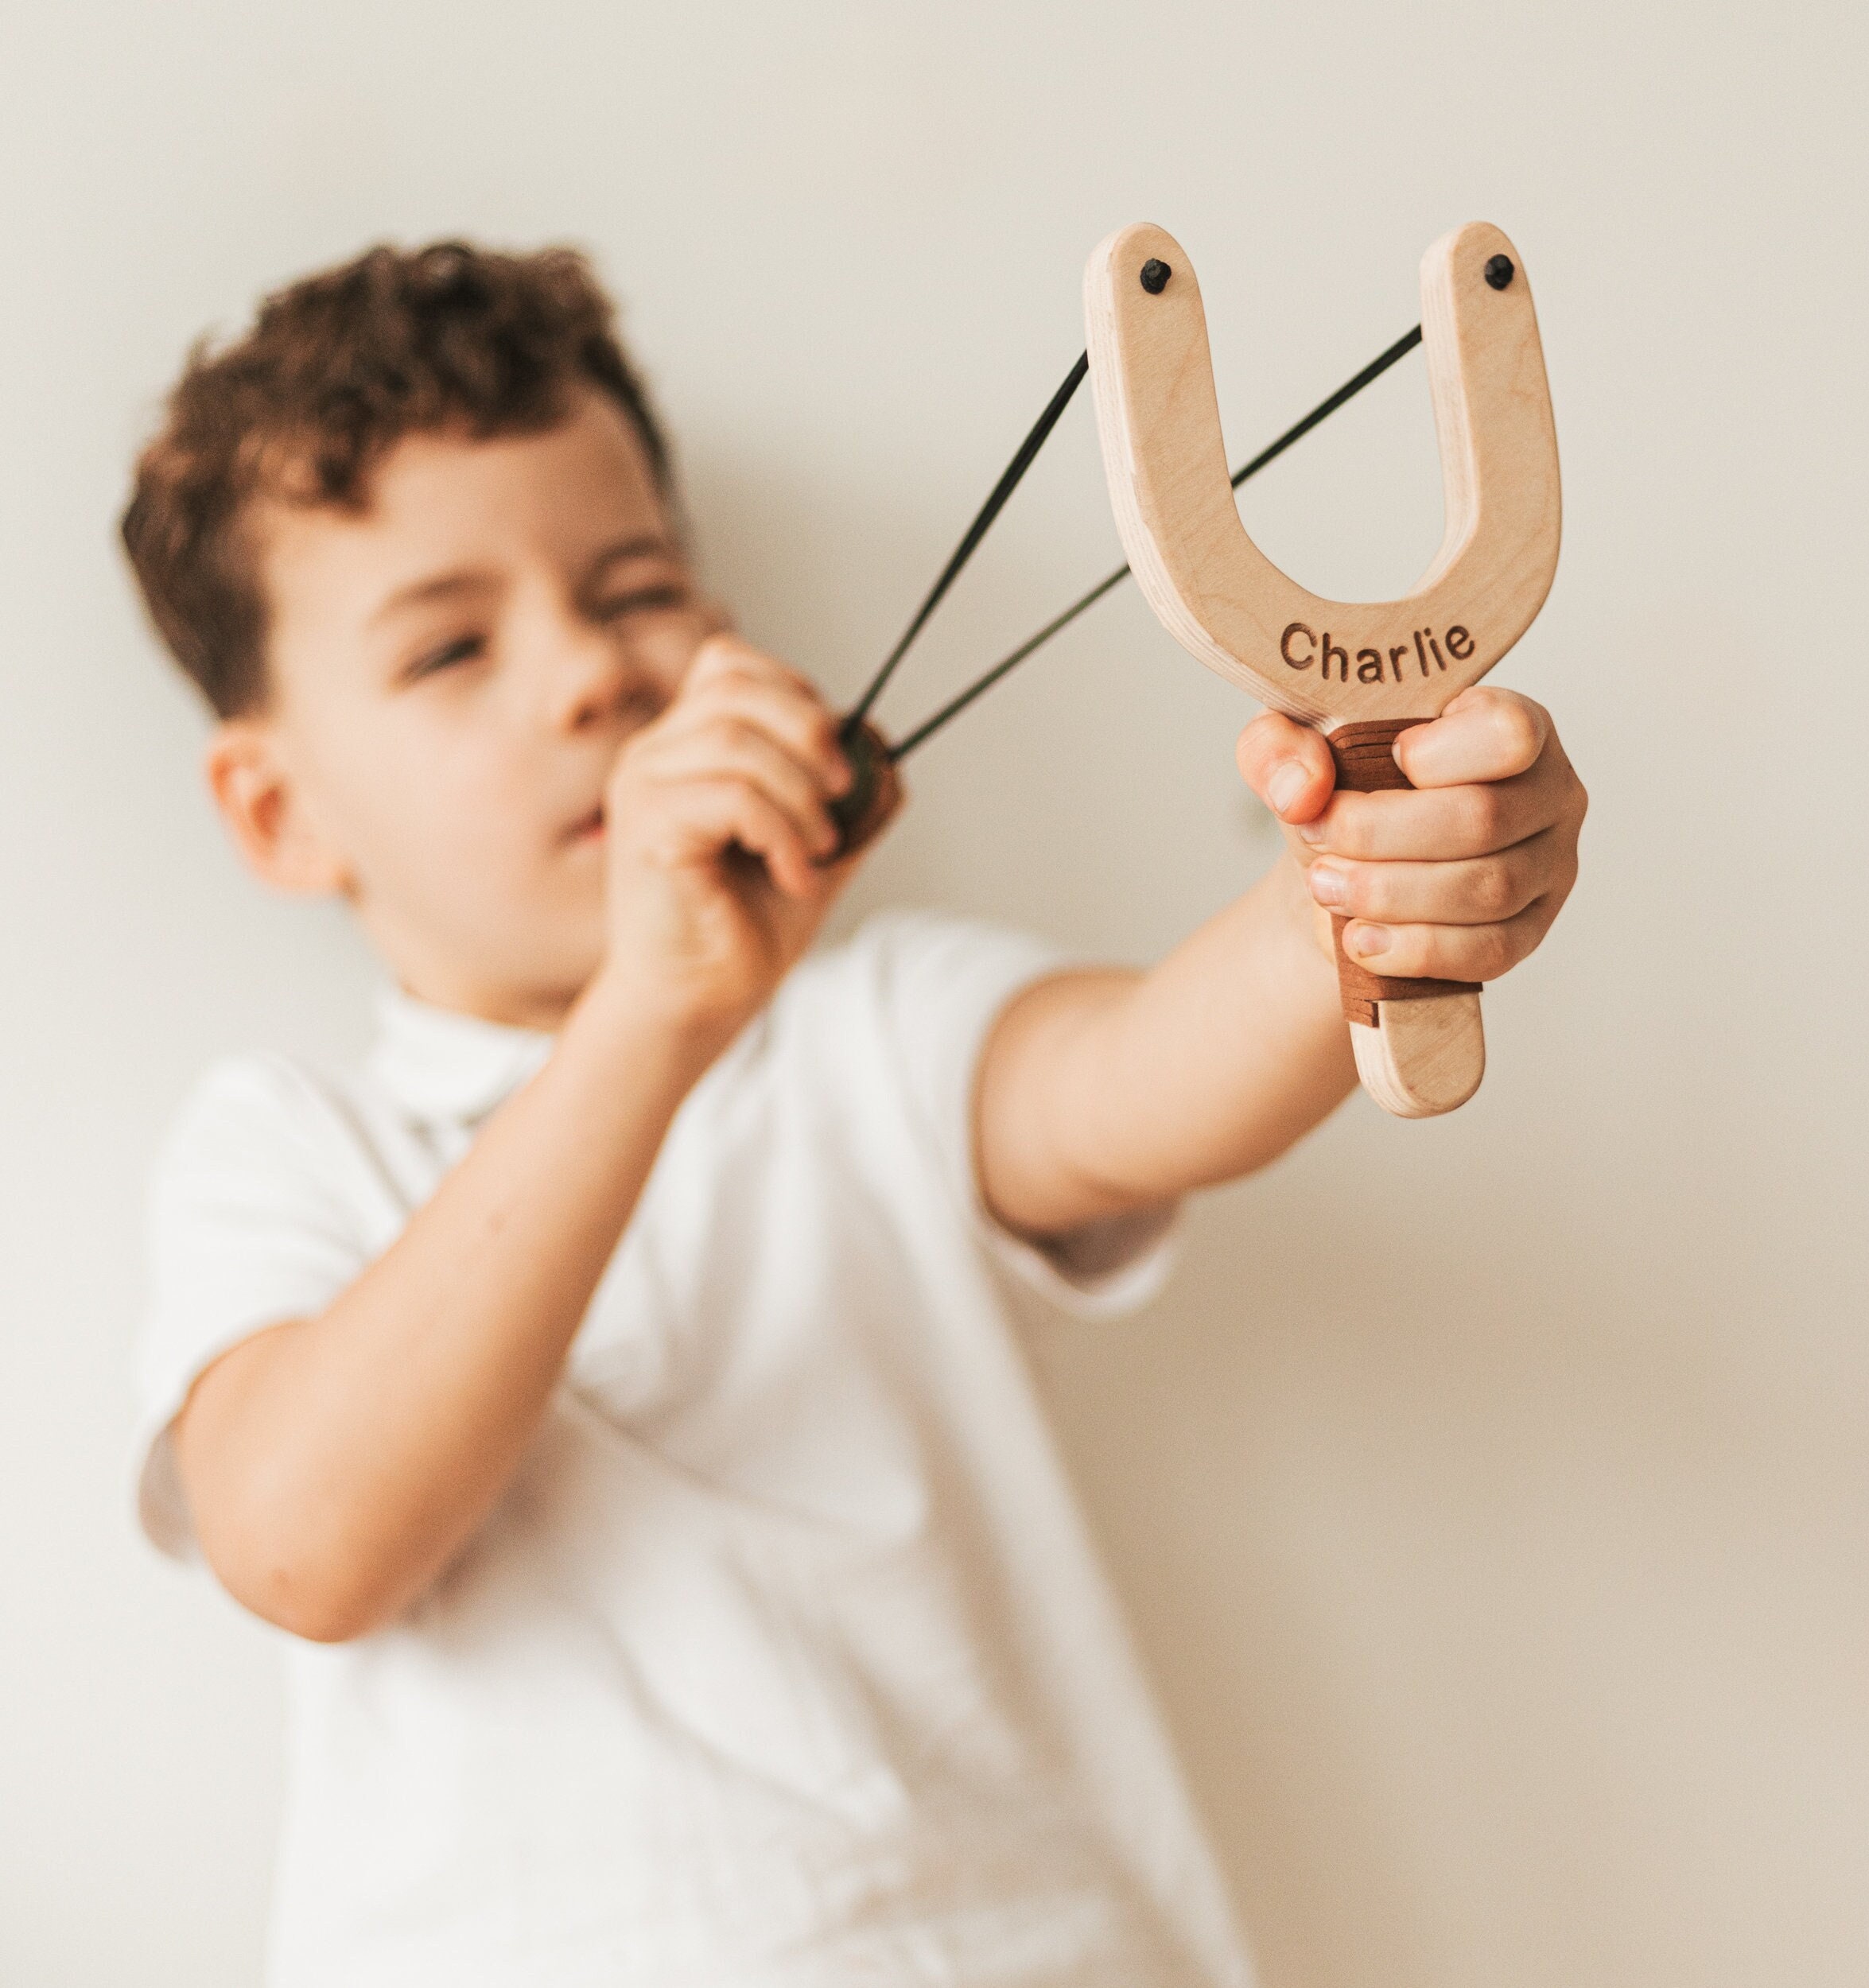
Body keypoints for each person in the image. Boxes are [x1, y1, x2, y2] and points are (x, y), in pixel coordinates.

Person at [122, 240, 1587, 1986]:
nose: (589, 673)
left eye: (633, 584)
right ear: (278, 813)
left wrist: (1349, 894)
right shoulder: (284, 1144)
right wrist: (650, 1018)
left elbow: (1144, 1079)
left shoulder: (869, 1034)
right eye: (449, 645)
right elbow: (300, 1539)